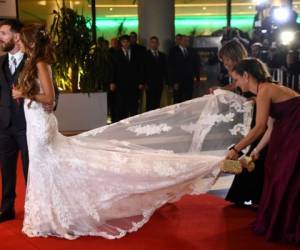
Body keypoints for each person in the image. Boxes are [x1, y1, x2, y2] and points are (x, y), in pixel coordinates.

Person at [13, 23, 251, 240]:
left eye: (21, 39)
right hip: (36, 125)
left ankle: (230, 163)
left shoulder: (41, 64)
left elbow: (50, 97)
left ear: (31, 42)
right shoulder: (33, 63)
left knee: (59, 165)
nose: (18, 43)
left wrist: (25, 94)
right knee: (50, 169)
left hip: (41, 128)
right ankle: (49, 216)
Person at [227, 58, 300, 243]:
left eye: (236, 79)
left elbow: (259, 128)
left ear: (246, 75)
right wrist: (256, 151)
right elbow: (270, 127)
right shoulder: (265, 90)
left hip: (295, 135)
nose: (235, 84)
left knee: (285, 178)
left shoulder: (265, 90)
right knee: (276, 174)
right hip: (287, 135)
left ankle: (288, 227)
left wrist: (236, 149)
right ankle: (282, 224)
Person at [218, 39, 267, 208]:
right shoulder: (240, 73)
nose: (225, 63)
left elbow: (260, 93)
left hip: (258, 119)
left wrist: (251, 101)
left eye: (226, 59)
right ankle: (247, 193)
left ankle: (253, 195)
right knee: (249, 154)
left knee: (252, 153)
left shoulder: (249, 71)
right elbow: (236, 86)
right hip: (250, 120)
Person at [0, 19, 28, 223]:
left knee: (31, 170)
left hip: (28, 125)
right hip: (4, 126)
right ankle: (7, 208)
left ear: (16, 37)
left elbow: (52, 90)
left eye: (3, 33)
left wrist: (49, 106)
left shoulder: (33, 61)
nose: (0, 38)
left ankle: (34, 209)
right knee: (6, 169)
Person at [144, 36, 167, 111]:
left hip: (159, 83)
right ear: (150, 44)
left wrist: (165, 81)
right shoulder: (145, 55)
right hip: (149, 83)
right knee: (149, 103)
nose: (154, 44)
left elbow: (165, 70)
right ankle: (149, 120)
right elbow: (143, 70)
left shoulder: (162, 55)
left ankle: (156, 120)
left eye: (156, 42)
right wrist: (145, 82)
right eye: (152, 42)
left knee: (157, 102)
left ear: (158, 44)